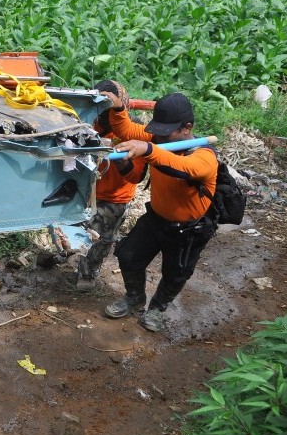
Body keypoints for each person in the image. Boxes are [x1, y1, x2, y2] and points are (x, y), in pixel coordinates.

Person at [102, 91, 218, 332]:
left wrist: (148, 149)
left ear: (187, 128)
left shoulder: (204, 156)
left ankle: (157, 308)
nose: (160, 136)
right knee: (128, 256)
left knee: (176, 273)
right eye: (158, 130)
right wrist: (117, 109)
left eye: (167, 131)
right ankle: (134, 298)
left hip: (188, 230)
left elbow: (183, 168)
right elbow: (127, 130)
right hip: (156, 219)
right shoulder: (159, 139)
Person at [76, 80, 147, 290]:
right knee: (69, 229)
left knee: (101, 238)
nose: (104, 114)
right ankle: (59, 255)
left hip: (113, 197)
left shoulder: (134, 131)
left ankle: (87, 274)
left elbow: (136, 177)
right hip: (84, 191)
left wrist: (123, 160)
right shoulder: (89, 123)